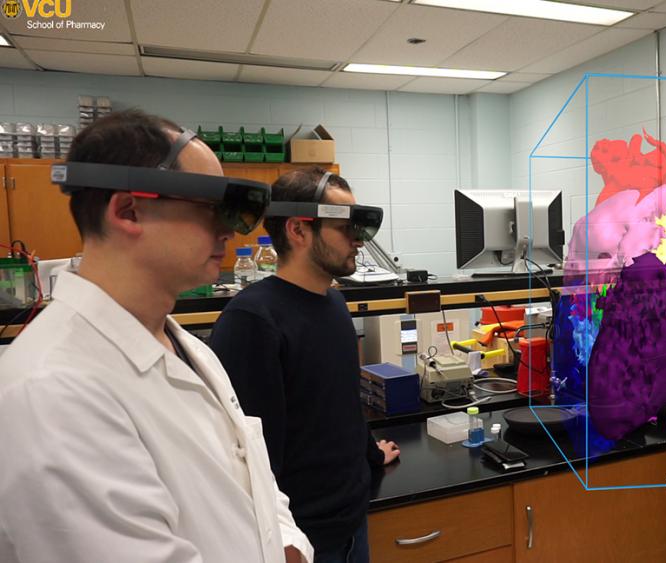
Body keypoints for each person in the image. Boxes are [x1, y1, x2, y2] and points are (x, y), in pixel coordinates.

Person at [0, 110, 313, 563]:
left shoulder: (189, 349)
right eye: (212, 208)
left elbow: (255, 483)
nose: (228, 229)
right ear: (129, 210)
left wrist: (291, 546)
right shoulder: (53, 390)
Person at [209, 167, 400, 563]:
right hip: (303, 539)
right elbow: (247, 455)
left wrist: (370, 455)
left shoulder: (334, 302)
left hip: (351, 521)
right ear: (298, 230)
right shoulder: (252, 320)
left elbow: (342, 402)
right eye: (345, 227)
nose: (358, 241)